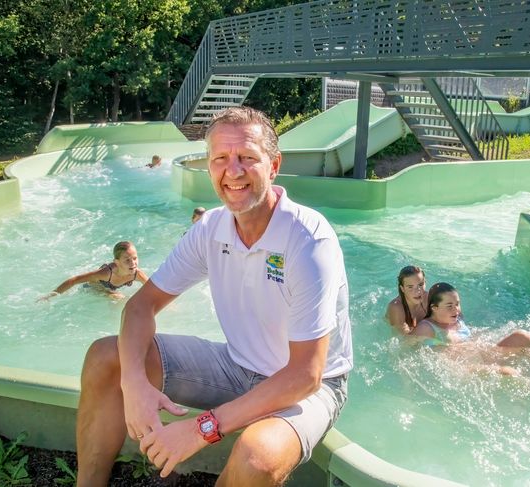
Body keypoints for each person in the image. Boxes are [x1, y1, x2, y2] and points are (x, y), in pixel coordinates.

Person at [75, 106, 353, 487]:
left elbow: (307, 373)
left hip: (308, 389)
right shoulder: (211, 228)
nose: (233, 171)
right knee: (107, 356)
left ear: (273, 166)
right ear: (208, 166)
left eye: (247, 158)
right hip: (236, 365)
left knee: (258, 458)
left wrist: (200, 429)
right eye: (220, 158)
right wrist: (135, 383)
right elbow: (141, 306)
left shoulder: (308, 239)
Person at [412, 282, 530, 349]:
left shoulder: (457, 318)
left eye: (457, 304)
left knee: (523, 336)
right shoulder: (427, 328)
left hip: (480, 354)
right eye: (449, 306)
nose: (456, 309)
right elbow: (405, 347)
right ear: (434, 308)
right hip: (465, 368)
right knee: (507, 371)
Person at [39, 241, 148, 300]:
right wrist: (51, 295)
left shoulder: (137, 274)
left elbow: (154, 289)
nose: (133, 263)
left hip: (111, 288)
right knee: (118, 297)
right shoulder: (106, 273)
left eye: (135, 258)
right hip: (93, 287)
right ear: (117, 262)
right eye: (127, 260)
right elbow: (74, 280)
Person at [385, 265, 428, 334]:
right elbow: (404, 341)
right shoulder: (396, 307)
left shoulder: (430, 299)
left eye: (420, 284)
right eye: (410, 287)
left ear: (425, 283)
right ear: (402, 289)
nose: (417, 291)